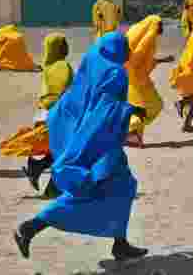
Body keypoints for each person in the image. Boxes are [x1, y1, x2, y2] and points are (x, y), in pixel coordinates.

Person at [13, 32, 149, 263]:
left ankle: (120, 244)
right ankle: (30, 228)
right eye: (125, 46)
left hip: (87, 136)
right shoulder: (116, 73)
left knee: (121, 186)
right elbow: (106, 109)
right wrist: (130, 111)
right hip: (100, 142)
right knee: (94, 190)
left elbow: (79, 101)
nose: (128, 50)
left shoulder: (92, 65)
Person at [0, 33, 74, 191]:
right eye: (63, 44)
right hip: (58, 113)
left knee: (60, 149)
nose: (67, 47)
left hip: (45, 111)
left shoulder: (49, 66)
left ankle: (37, 168)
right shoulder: (62, 66)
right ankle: (52, 187)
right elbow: (61, 91)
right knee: (66, 151)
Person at [125, 16, 174, 148]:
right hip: (138, 81)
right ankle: (127, 130)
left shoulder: (141, 33)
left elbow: (142, 59)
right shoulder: (148, 38)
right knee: (155, 106)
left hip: (133, 80)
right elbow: (137, 59)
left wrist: (163, 60)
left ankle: (134, 138)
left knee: (141, 109)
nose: (161, 28)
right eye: (160, 25)